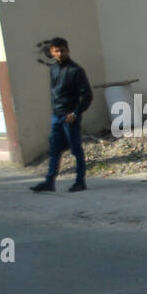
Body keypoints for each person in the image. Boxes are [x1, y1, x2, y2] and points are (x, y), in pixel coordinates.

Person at [30, 37, 93, 193]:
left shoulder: (76, 70)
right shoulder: (53, 69)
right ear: (51, 52)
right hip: (56, 116)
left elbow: (87, 96)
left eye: (62, 50)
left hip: (70, 117)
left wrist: (76, 113)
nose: (59, 53)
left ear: (68, 50)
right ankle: (49, 182)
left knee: (76, 150)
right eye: (56, 51)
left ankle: (80, 181)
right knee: (55, 150)